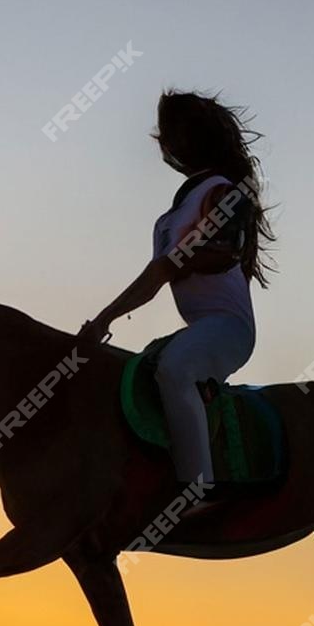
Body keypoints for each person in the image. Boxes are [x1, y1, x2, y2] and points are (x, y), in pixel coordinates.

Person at [76, 90, 275, 515]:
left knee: (175, 369)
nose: (165, 145)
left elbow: (227, 250)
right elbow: (153, 279)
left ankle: (198, 489)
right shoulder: (171, 216)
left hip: (228, 328)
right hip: (200, 327)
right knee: (140, 371)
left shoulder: (222, 191)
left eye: (170, 135)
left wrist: (174, 263)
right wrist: (105, 320)